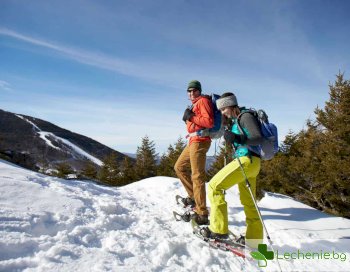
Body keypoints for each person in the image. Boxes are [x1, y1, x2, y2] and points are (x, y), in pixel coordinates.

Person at [201, 92, 264, 248]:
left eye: (223, 109)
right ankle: (254, 241)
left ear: (230, 105)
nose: (223, 113)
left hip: (247, 161)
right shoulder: (237, 120)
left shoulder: (245, 116)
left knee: (214, 186)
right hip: (252, 163)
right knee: (249, 203)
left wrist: (237, 138)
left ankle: (218, 230)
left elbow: (257, 137)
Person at [174, 80, 214, 225]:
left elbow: (209, 121)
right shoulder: (195, 103)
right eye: (189, 91)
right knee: (179, 167)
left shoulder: (203, 101)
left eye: (194, 91)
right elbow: (197, 122)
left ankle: (202, 212)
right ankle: (193, 196)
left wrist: (190, 117)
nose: (191, 93)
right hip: (193, 140)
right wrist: (189, 119)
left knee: (197, 176)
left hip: (200, 140)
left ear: (199, 91)